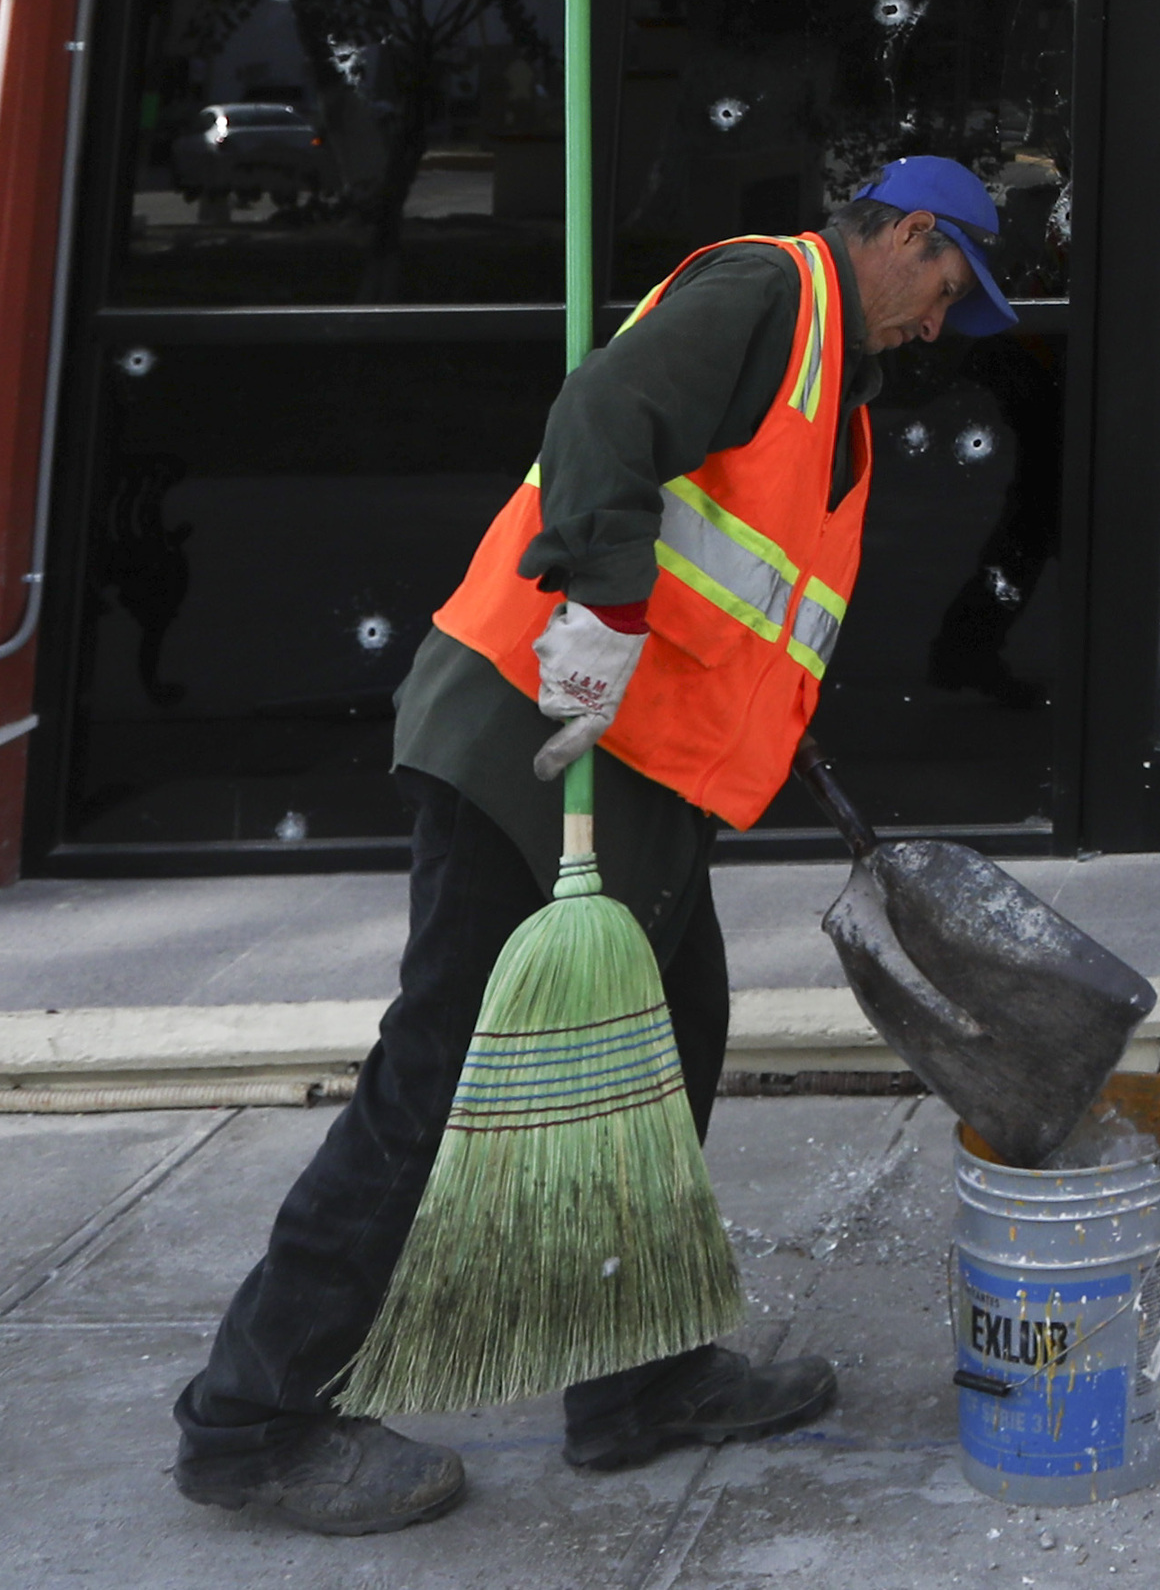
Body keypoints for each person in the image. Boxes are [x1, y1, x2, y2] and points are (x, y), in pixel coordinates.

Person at [172, 155, 1022, 1535]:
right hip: (535, 736)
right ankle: (253, 1419)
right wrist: (607, 608)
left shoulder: (832, 388)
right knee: (440, 1076)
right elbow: (602, 417)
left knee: (670, 1053)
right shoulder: (768, 290)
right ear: (910, 233)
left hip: (636, 773)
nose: (943, 323)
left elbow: (742, 585)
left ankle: (638, 1384)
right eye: (948, 287)